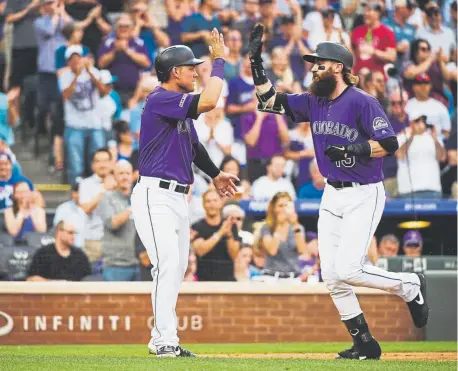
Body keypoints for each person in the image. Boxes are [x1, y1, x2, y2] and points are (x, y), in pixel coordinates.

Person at [247, 25, 429, 360]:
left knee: (349, 269)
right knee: (331, 275)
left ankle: (410, 285)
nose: (313, 68)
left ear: (338, 67)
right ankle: (364, 344)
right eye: (313, 63)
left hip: (364, 191)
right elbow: (270, 101)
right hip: (332, 194)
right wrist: (257, 64)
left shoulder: (362, 101)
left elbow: (389, 144)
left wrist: (353, 150)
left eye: (319, 63)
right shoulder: (314, 100)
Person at [130, 30, 239, 358]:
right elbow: (209, 101)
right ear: (175, 72)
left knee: (175, 267)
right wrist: (219, 62)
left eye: (199, 67)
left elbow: (194, 146)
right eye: (191, 68)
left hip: (177, 197)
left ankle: (161, 338)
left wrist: (217, 175)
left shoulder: (175, 108)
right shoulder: (160, 98)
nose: (196, 71)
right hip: (155, 194)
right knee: (167, 264)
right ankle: (165, 341)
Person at [99, 160, 139, 281]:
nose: (125, 177)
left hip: (139, 263)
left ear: (133, 176)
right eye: (121, 173)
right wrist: (133, 208)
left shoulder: (139, 197)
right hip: (115, 265)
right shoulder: (107, 197)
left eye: (127, 173)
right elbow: (112, 223)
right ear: (114, 176)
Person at [191, 189, 240, 282]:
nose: (212, 204)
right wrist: (221, 232)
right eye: (208, 201)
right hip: (203, 280)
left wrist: (229, 234)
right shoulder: (196, 227)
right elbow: (200, 250)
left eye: (215, 200)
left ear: (221, 203)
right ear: (203, 204)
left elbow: (234, 255)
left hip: (227, 279)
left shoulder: (230, 225)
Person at [395, 113, 446, 199]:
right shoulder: (402, 136)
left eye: (423, 122)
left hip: (432, 188)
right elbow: (400, 155)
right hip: (408, 190)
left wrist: (435, 140)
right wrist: (412, 135)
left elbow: (443, 157)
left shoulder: (434, 138)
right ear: (411, 123)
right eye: (417, 121)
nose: (421, 124)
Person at [259, 191, 306, 280]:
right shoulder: (267, 227)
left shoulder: (298, 227)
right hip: (271, 277)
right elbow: (272, 251)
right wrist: (280, 225)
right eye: (280, 206)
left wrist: (295, 224)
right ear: (274, 208)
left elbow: (302, 251)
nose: (284, 209)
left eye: (286, 205)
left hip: (293, 277)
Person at [27, 220, 91, 281]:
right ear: (59, 232)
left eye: (74, 233)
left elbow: (88, 279)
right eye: (70, 233)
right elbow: (31, 279)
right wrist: (56, 284)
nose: (73, 236)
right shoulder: (43, 253)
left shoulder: (79, 255)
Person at [53, 182, 87, 249]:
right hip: (69, 248)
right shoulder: (63, 208)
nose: (76, 195)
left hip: (89, 248)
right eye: (74, 192)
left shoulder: (94, 208)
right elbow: (58, 228)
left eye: (79, 192)